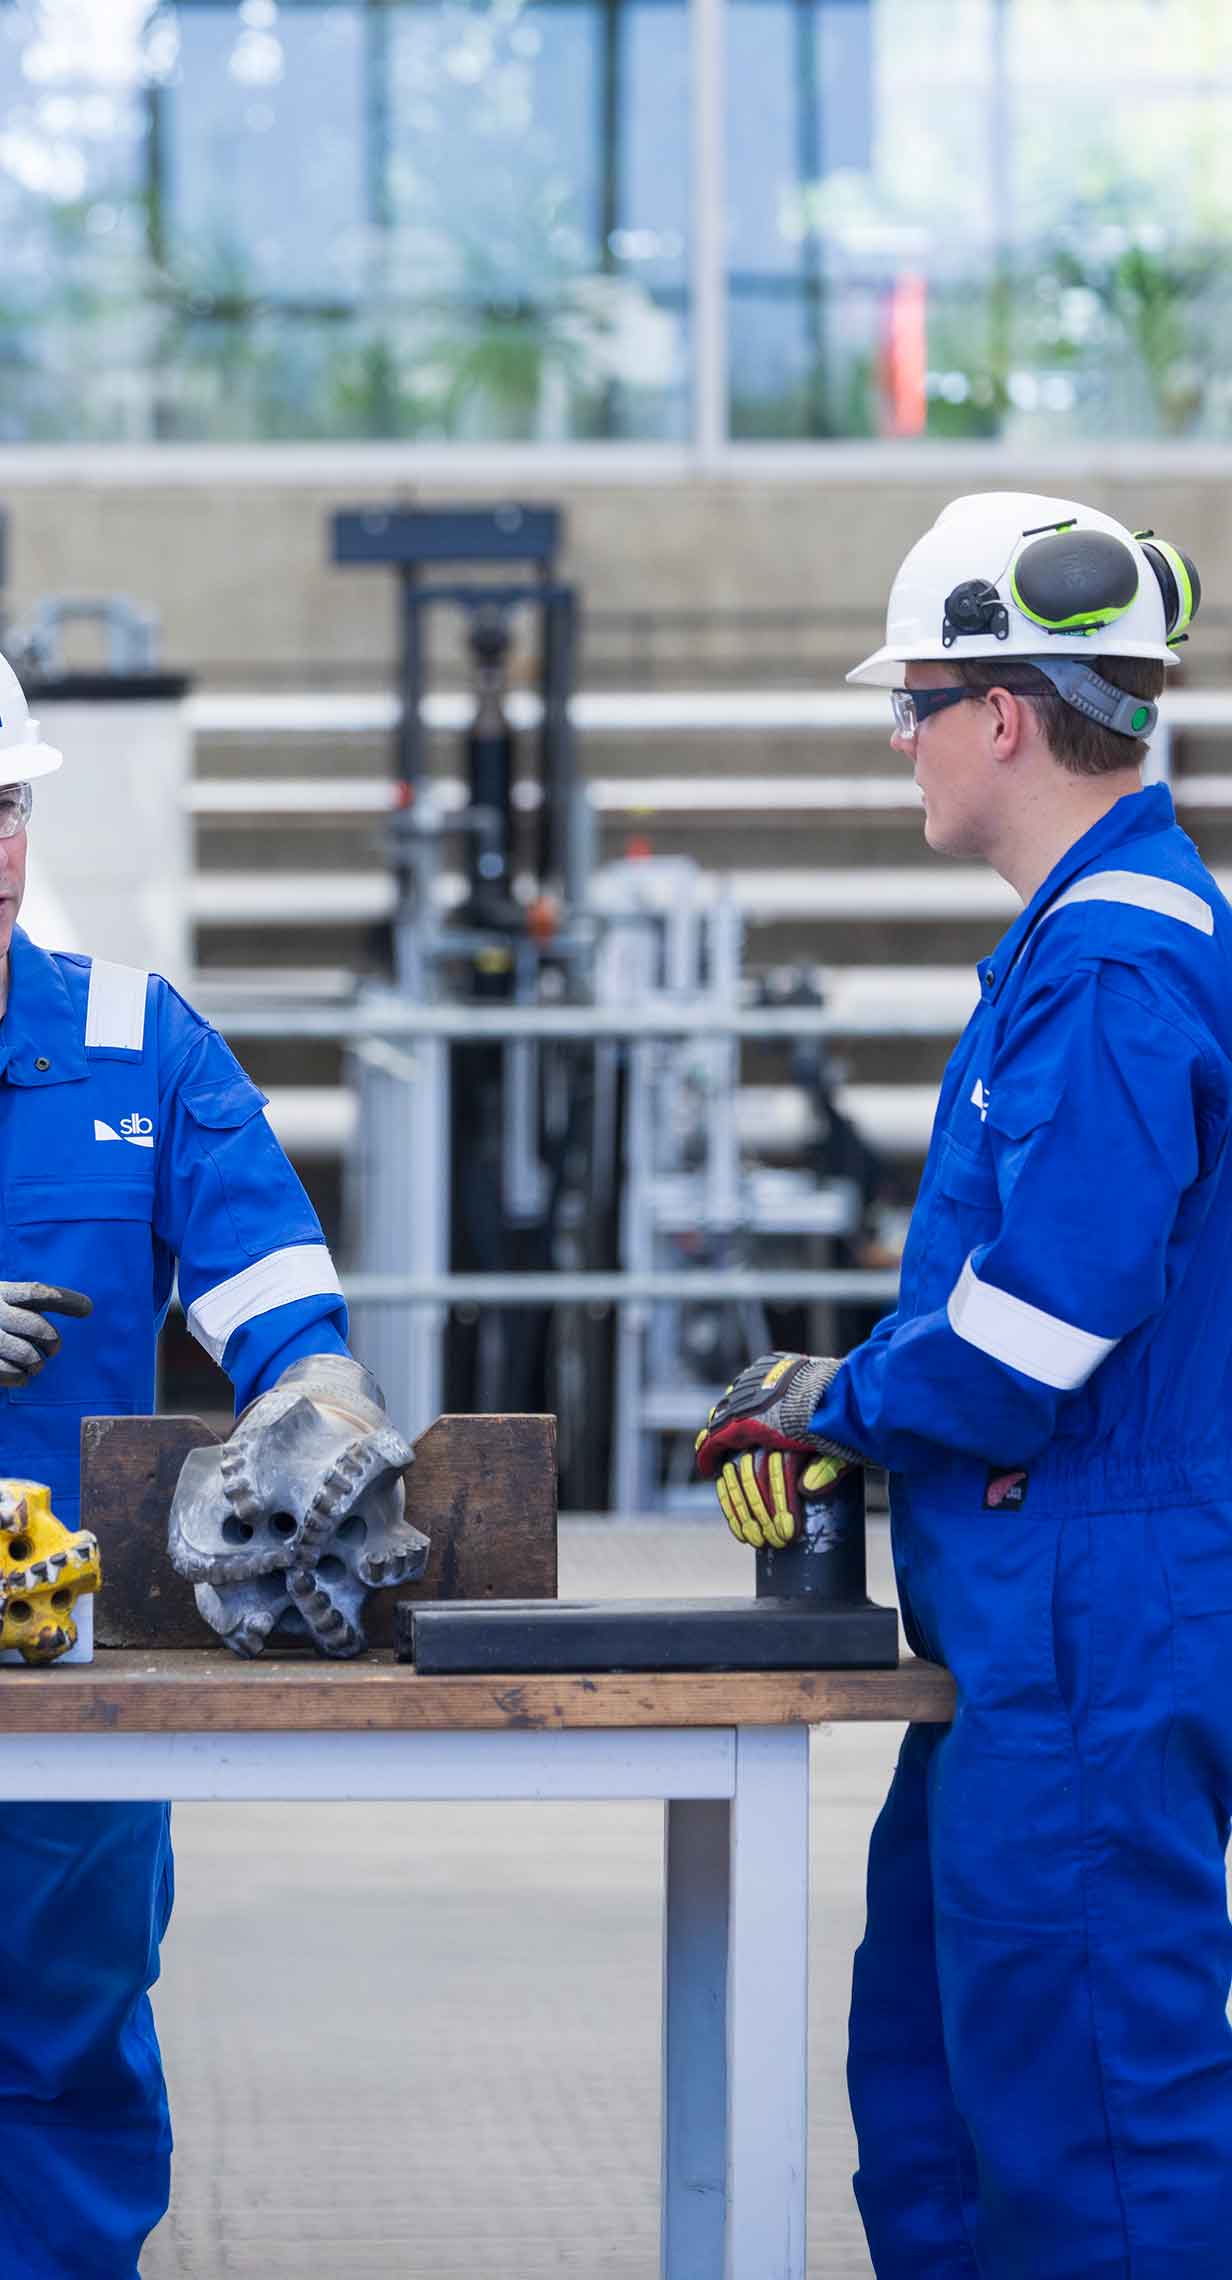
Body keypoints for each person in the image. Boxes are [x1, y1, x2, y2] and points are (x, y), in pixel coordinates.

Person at [0, 609, 381, 2278]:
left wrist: (311, 1393)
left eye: (8, 807)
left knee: (72, 2073)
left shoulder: (139, 1041)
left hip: (76, 1661)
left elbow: (274, 1289)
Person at [695, 493, 1232, 2278]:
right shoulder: (1090, 944)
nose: (900, 739)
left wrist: (836, 1403)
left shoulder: (1117, 965)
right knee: (936, 2078)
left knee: (1090, 2128)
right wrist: (847, 1399)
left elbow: (1037, 1338)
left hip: (1091, 1624)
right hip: (1028, 1642)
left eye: (910, 702)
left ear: (1002, 715)